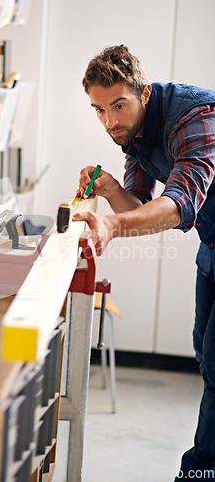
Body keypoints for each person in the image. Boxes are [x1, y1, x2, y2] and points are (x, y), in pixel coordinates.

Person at [73, 44, 215, 481]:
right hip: (211, 247)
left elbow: (179, 205)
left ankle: (198, 472)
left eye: (118, 105)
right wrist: (111, 188)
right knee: (205, 356)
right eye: (99, 110)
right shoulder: (132, 135)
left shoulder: (196, 116)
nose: (110, 121)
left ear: (145, 93)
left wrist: (113, 226)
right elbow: (139, 205)